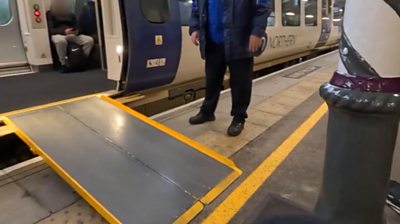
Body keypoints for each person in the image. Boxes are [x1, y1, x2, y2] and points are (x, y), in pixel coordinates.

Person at [188, 0, 270, 136]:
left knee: (240, 83)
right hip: (213, 40)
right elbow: (197, 5)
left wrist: (257, 32)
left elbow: (263, 6)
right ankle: (207, 112)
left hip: (240, 39)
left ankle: (239, 117)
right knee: (212, 79)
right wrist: (195, 27)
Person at [47, 0, 94, 72]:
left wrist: (77, 31)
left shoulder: (71, 15)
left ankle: (81, 60)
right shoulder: (50, 14)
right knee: (61, 41)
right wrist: (64, 32)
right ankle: (63, 64)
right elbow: (50, 30)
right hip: (58, 34)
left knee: (89, 40)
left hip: (72, 34)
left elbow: (78, 27)